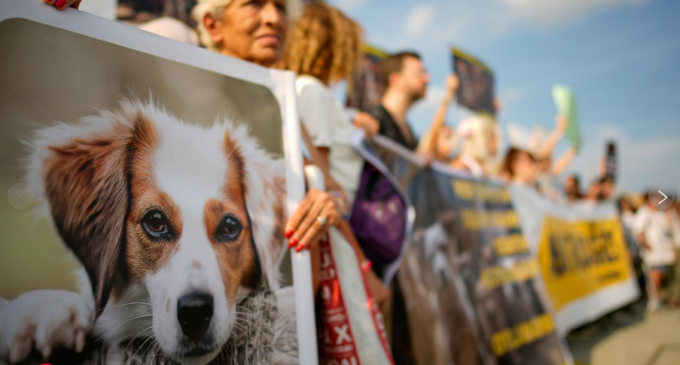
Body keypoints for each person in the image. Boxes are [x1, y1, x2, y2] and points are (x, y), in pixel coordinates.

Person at [369, 51, 429, 150]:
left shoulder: (408, 131)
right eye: (420, 72)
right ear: (396, 79)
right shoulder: (374, 118)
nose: (427, 78)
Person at [633, 192, 680, 312]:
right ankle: (654, 300)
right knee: (654, 275)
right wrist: (646, 243)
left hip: (663, 251)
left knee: (661, 275)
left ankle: (658, 298)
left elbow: (669, 229)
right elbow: (638, 230)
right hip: (652, 251)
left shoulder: (661, 213)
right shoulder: (644, 212)